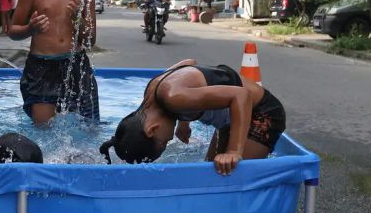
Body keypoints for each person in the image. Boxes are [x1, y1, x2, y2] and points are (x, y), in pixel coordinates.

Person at [99, 59, 285, 176]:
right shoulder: (153, 90)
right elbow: (188, 63)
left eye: (163, 142)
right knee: (211, 175)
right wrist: (184, 121)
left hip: (261, 113)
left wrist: (234, 151)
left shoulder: (174, 98)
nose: (169, 139)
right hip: (232, 119)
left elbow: (241, 96)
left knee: (229, 178)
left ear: (152, 129)